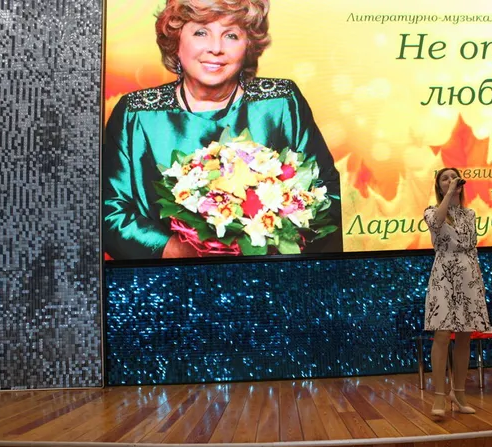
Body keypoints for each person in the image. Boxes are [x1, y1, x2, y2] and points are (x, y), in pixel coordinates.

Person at [102, 0, 342, 260]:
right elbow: (110, 213)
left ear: (248, 44)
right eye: (201, 32)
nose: (216, 48)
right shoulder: (136, 114)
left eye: (231, 35)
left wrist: (271, 243)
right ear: (176, 40)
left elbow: (327, 193)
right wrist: (179, 251)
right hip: (170, 276)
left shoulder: (281, 102)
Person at [423, 168, 490, 417]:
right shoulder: (431, 211)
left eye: (454, 177)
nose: (451, 180)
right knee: (442, 333)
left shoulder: (469, 214)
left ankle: (458, 393)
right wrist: (449, 193)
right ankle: (439, 396)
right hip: (444, 273)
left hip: (468, 274)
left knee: (465, 335)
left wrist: (475, 279)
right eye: (445, 178)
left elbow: (471, 246)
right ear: (439, 186)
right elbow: (436, 223)